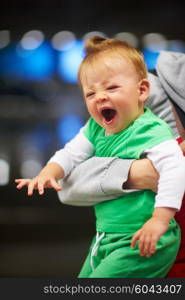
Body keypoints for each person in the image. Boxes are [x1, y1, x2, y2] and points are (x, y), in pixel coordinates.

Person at [15, 36, 185, 278]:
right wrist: (48, 172)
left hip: (142, 238)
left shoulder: (153, 130)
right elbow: (71, 154)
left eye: (112, 88)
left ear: (143, 91)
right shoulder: (95, 128)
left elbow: (174, 168)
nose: (100, 97)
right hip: (107, 235)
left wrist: (159, 220)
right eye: (90, 93)